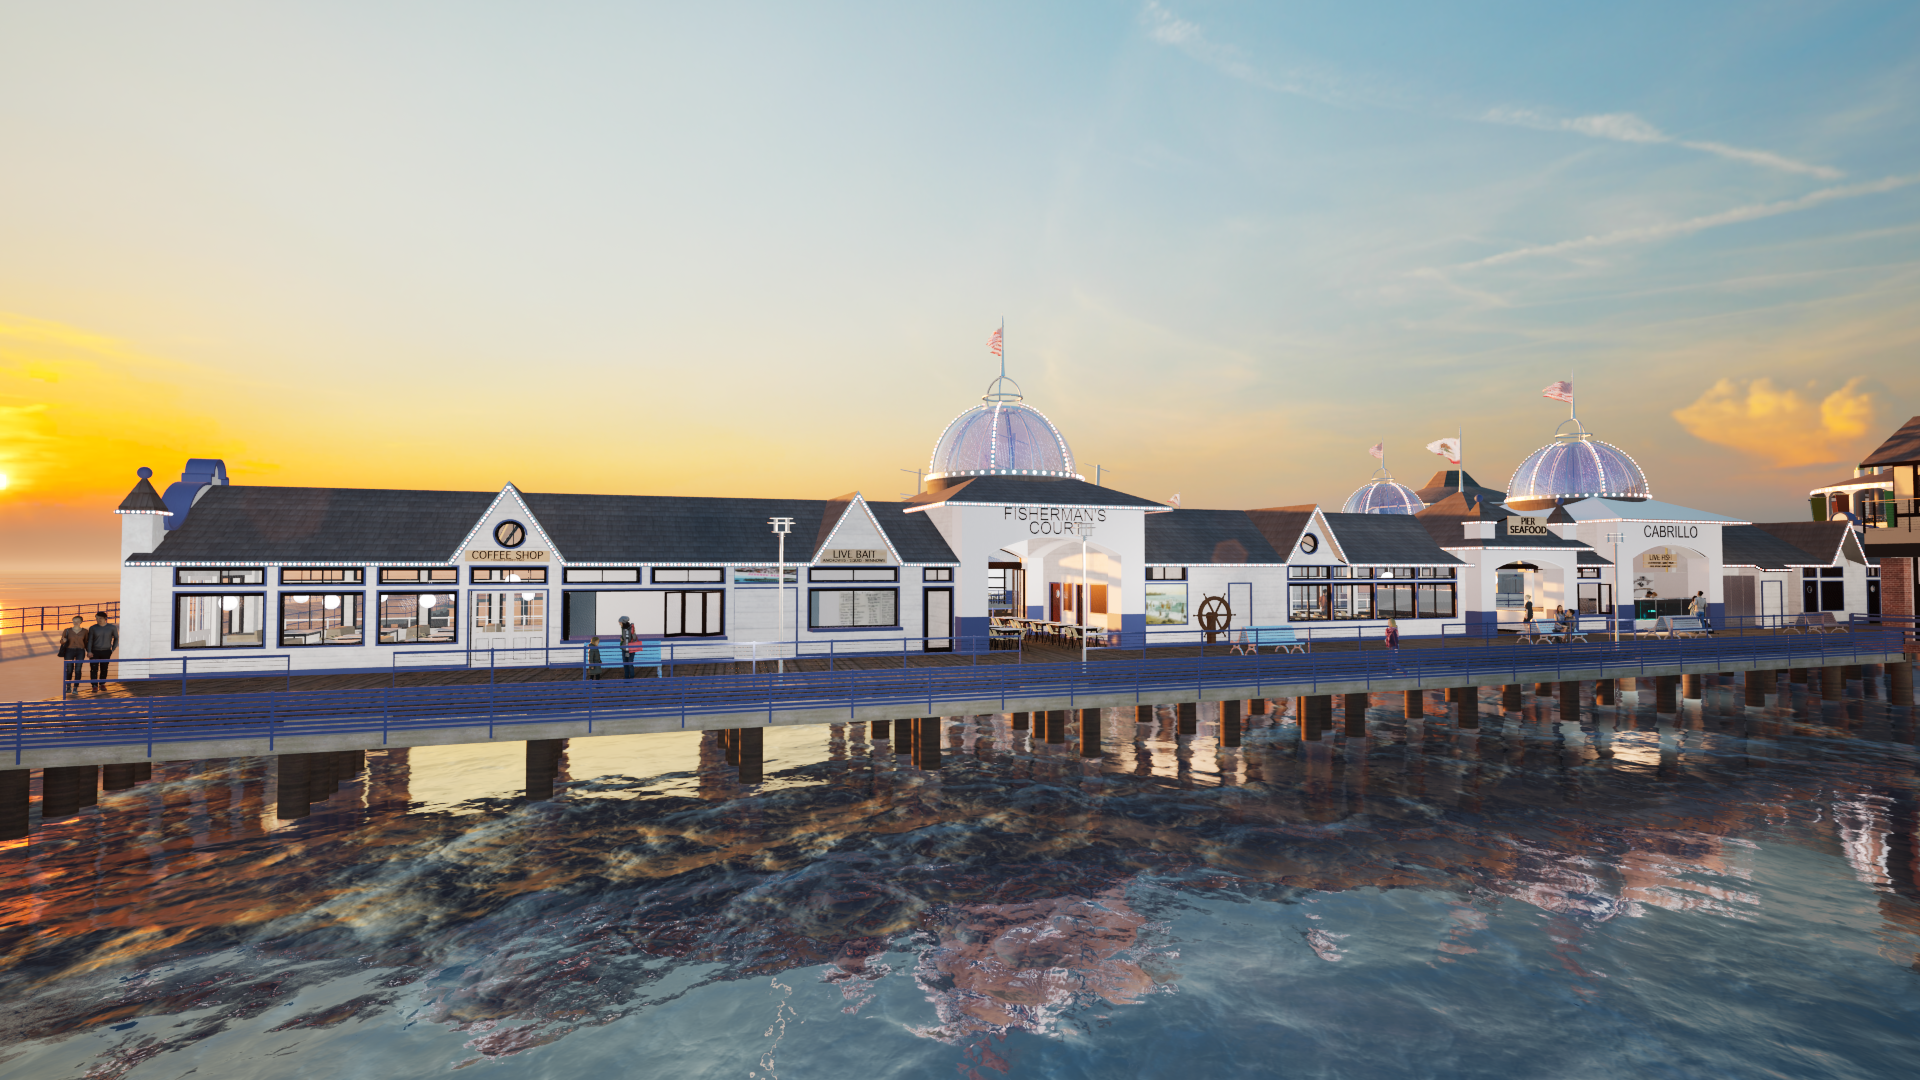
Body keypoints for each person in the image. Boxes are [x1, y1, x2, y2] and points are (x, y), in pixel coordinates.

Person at [86, 611, 118, 687]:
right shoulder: (93, 628)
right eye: (97, 618)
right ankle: (94, 685)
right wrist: (89, 651)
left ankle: (102, 683)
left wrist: (112, 649)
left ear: (105, 618)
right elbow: (90, 640)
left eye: (100, 618)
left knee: (104, 668)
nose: (98, 620)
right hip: (94, 651)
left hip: (106, 651)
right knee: (94, 669)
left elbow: (116, 638)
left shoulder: (112, 627)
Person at [59, 616, 88, 687]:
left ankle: (75, 687)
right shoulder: (67, 630)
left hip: (80, 651)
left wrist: (89, 651)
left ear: (81, 622)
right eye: (74, 621)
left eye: (78, 621)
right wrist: (63, 641)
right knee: (69, 670)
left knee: (78, 670)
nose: (76, 622)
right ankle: (68, 686)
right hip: (69, 651)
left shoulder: (85, 631)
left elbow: (86, 642)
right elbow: (61, 641)